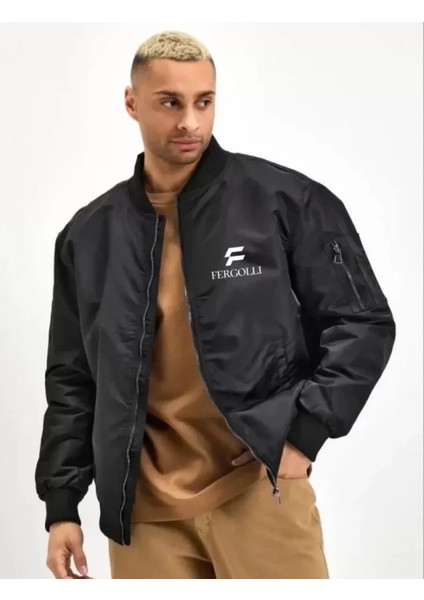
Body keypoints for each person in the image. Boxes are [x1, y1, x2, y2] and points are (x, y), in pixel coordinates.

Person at [35, 30, 396, 579]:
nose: (190, 122)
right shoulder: (88, 236)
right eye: (170, 103)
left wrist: (303, 433)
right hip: (143, 516)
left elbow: (362, 321)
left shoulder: (285, 201)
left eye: (204, 102)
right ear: (132, 102)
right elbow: (72, 378)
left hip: (258, 492)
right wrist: (62, 506)